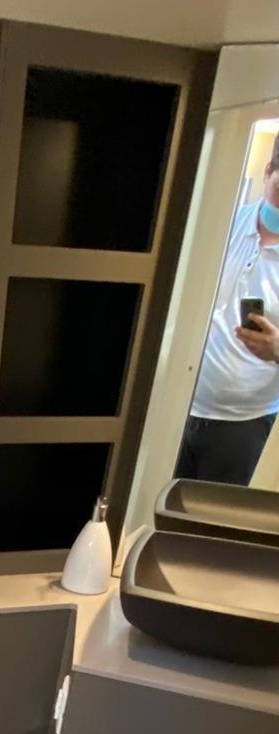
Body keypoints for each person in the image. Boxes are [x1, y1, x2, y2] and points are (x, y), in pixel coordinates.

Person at [175, 131, 279, 485]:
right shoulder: (225, 224)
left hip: (244, 424)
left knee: (210, 516)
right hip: (178, 401)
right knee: (153, 502)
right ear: (267, 174)